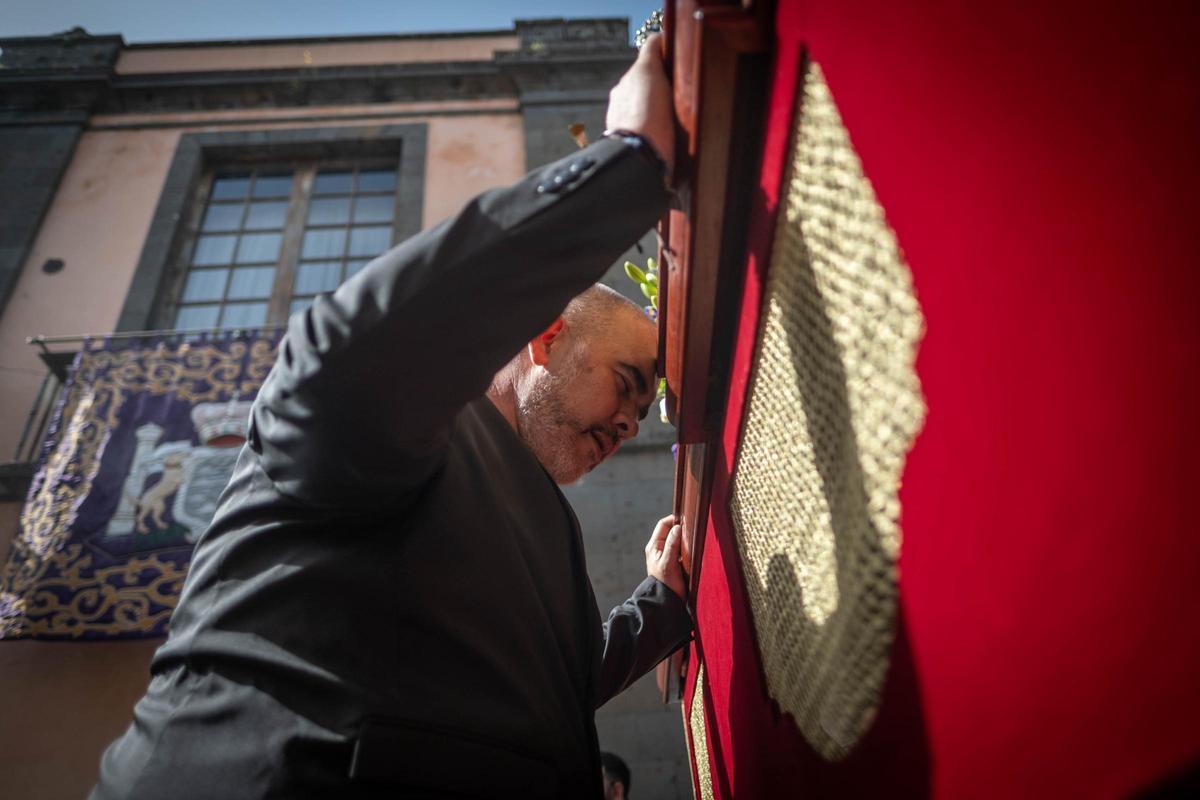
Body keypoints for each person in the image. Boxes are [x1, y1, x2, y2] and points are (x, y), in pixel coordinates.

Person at [91, 34, 690, 800]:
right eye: (626, 382)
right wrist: (630, 165)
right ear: (545, 335)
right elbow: (353, 343)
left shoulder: (545, 516)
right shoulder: (393, 420)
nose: (631, 423)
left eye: (645, 409)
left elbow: (543, 687)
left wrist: (661, 607)